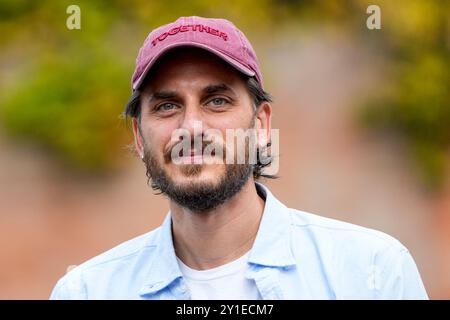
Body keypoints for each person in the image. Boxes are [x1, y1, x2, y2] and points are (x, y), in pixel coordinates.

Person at [50, 16, 428, 300]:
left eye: (217, 101)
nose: (192, 126)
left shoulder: (372, 273)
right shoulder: (86, 291)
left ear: (261, 123)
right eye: (167, 105)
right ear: (139, 136)